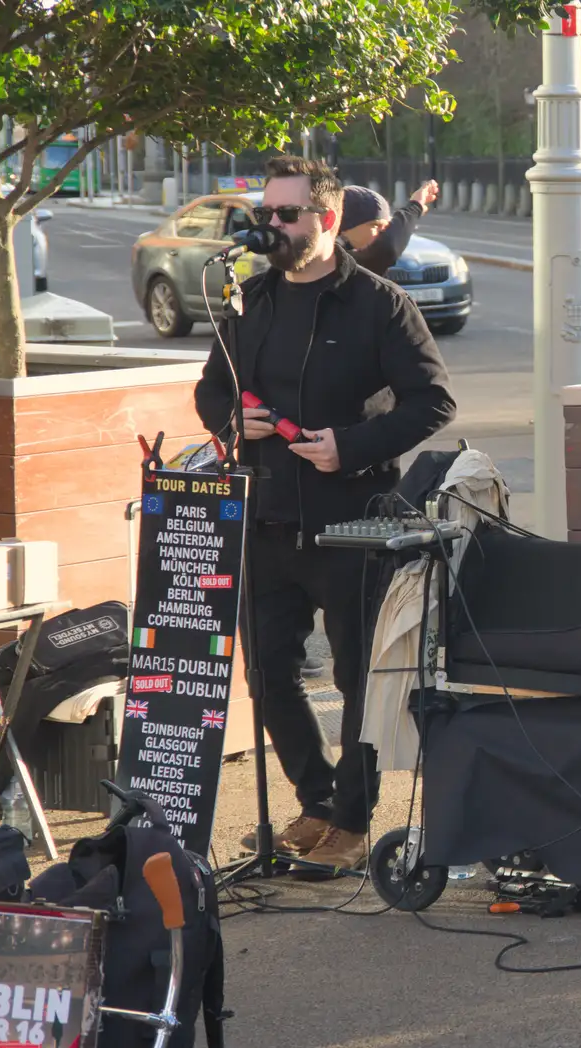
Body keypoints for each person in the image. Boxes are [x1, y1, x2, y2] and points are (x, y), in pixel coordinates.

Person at [193, 156, 456, 874]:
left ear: (328, 219)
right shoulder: (249, 301)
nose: (271, 227)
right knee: (270, 675)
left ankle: (352, 820)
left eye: (287, 214)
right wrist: (231, 426)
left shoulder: (377, 303)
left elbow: (433, 401)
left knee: (355, 679)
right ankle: (314, 803)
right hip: (267, 518)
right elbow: (211, 392)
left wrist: (350, 446)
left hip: (351, 523)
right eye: (266, 214)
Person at [338, 180, 439, 275]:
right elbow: (386, 249)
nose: (383, 233)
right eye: (375, 225)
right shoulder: (333, 260)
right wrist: (415, 206)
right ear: (344, 227)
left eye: (386, 227)